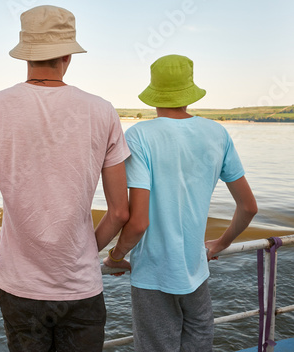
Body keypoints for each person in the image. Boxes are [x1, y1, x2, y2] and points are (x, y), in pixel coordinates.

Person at [0, 5, 130, 351]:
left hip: (18, 287)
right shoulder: (103, 111)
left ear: (25, 55)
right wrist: (84, 254)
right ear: (67, 55)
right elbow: (120, 213)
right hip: (81, 287)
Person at [103, 55, 258, 351]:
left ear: (154, 92)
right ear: (189, 91)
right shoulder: (217, 133)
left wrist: (115, 255)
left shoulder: (139, 136)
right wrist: (221, 243)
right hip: (196, 270)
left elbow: (138, 222)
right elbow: (249, 207)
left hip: (153, 274)